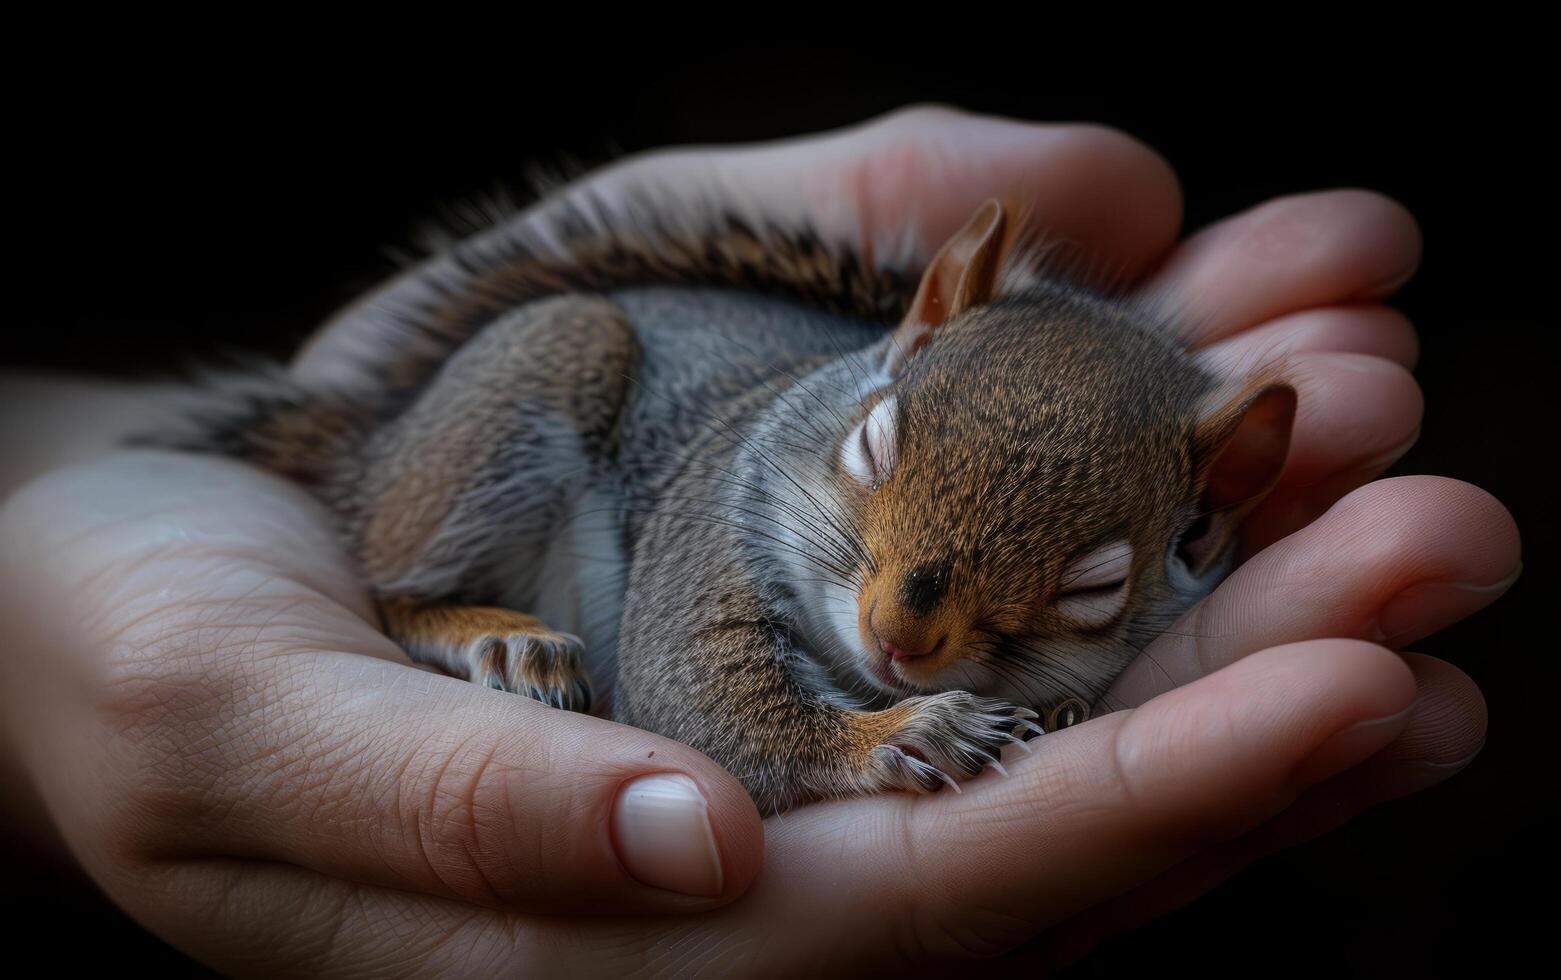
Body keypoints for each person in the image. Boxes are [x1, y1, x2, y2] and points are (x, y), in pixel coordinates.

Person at [0, 106, 1519, 974]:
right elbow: (679, 678)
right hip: (580, 435)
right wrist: (859, 744)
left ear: (1211, 507)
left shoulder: (1161, 524)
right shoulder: (761, 484)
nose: (896, 627)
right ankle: (440, 606)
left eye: (1089, 591)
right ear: (923, 327)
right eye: (870, 469)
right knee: (560, 360)